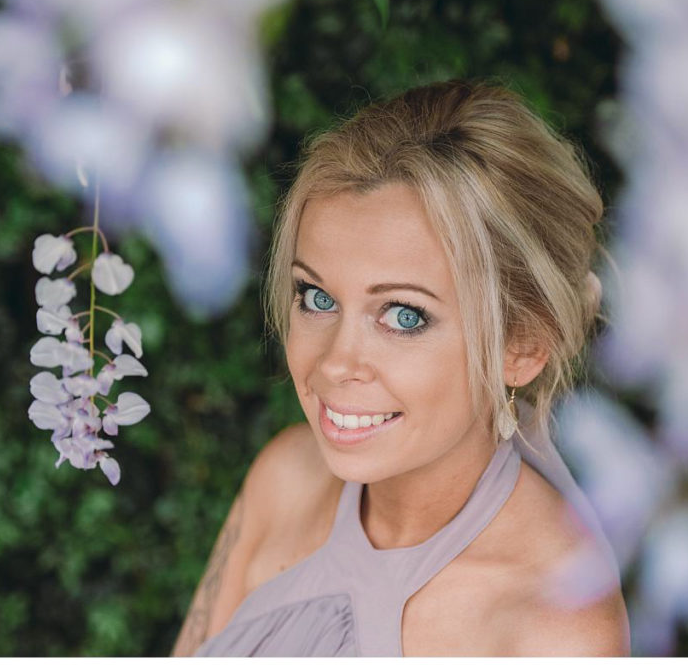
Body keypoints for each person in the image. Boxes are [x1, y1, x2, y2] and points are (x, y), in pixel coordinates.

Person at [171, 80, 629, 657]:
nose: (335, 363)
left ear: (524, 345)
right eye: (316, 297)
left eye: (404, 315)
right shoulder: (285, 476)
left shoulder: (553, 627)